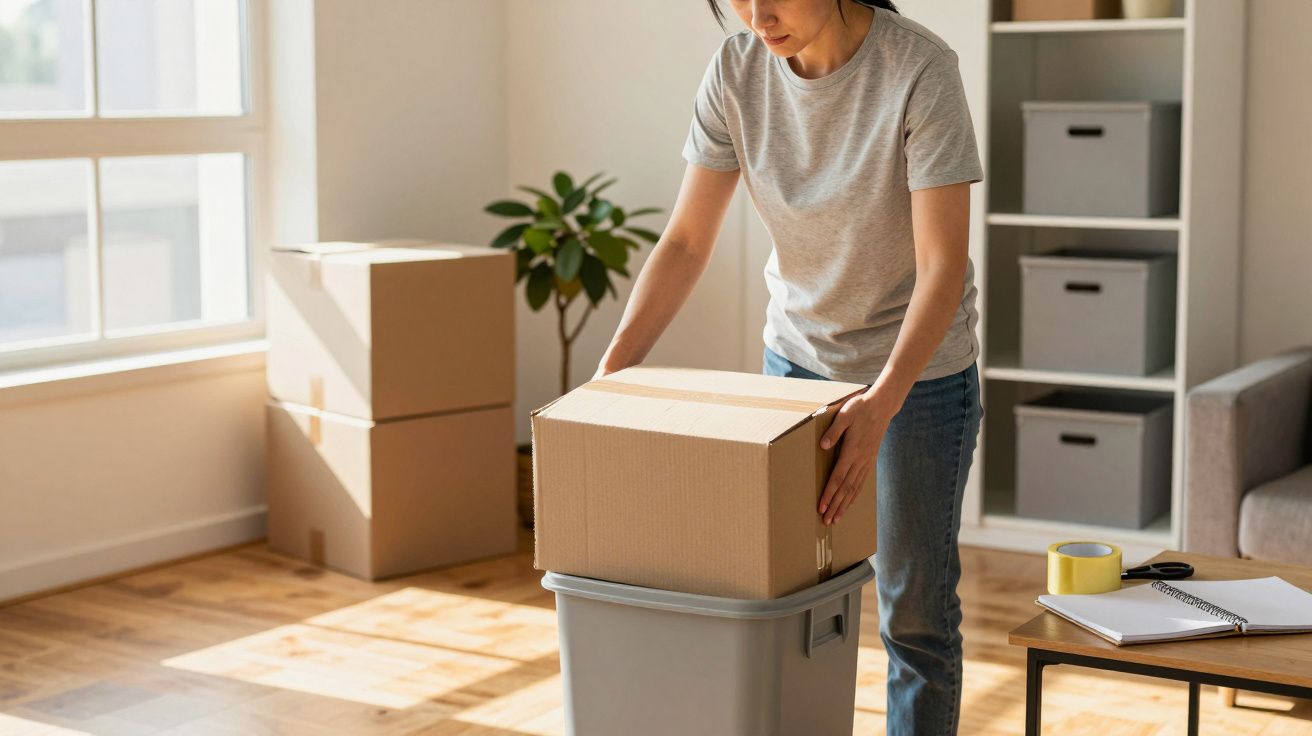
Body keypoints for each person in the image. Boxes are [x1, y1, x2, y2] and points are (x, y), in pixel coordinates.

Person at [591, 0, 983, 732]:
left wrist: (882, 402)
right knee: (781, 594)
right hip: (796, 363)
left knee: (915, 612)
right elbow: (684, 241)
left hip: (918, 376)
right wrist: (611, 374)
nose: (756, 14)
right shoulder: (737, 72)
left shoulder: (919, 69)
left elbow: (942, 267)